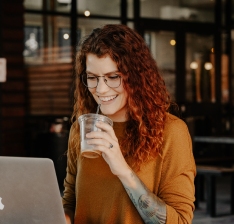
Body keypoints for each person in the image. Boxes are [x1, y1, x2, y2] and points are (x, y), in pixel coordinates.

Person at [62, 24, 196, 224]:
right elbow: (71, 202)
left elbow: (180, 221)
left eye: (113, 77)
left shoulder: (170, 132)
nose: (101, 89)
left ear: (136, 76)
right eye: (92, 77)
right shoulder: (81, 129)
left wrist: (122, 169)